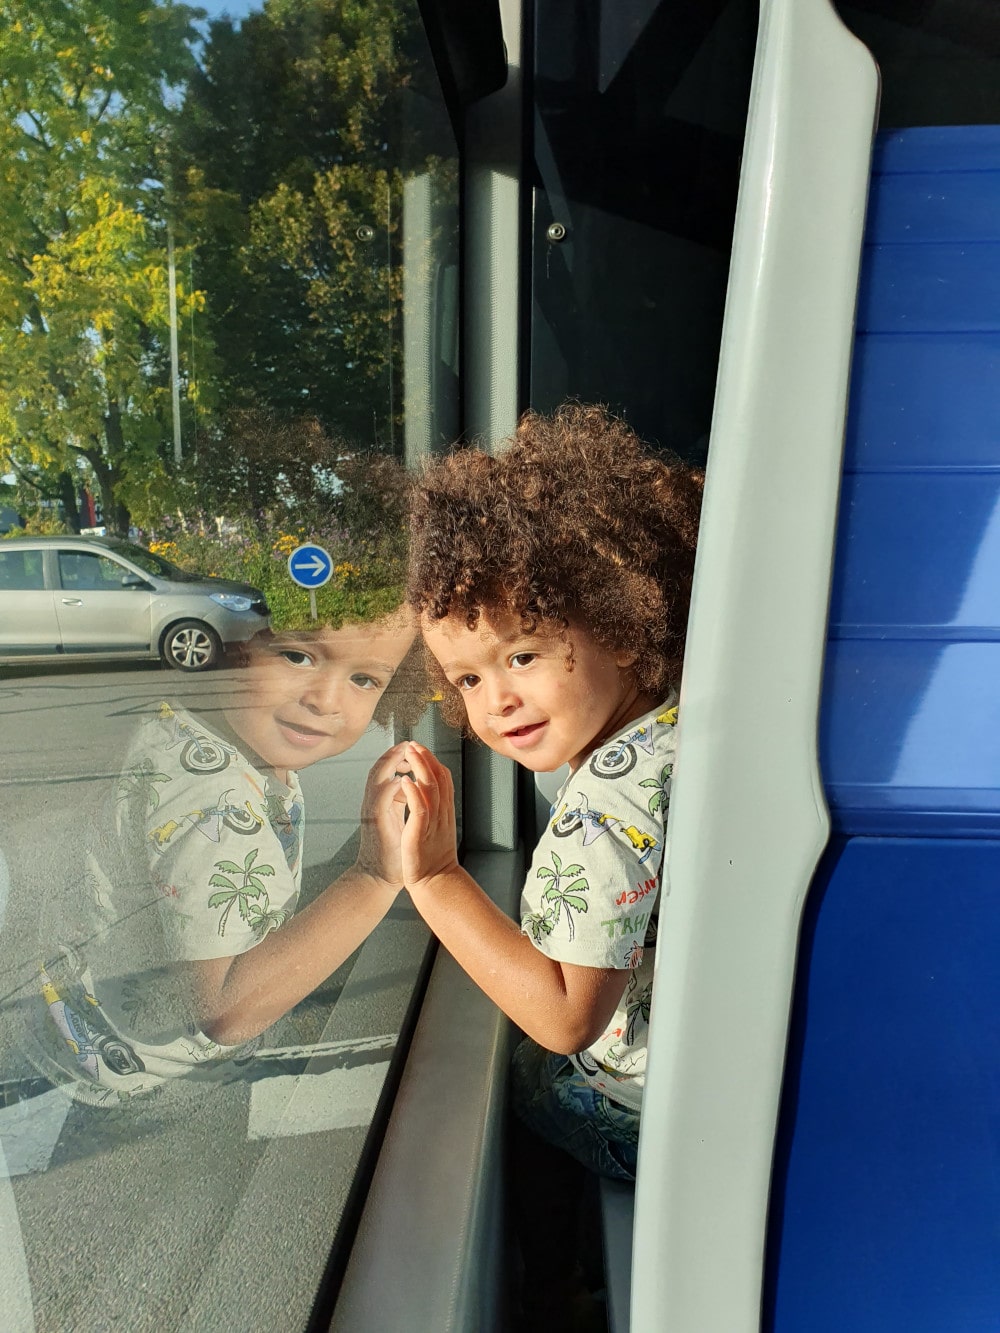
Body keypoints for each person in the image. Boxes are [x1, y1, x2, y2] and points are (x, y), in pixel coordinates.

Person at [391, 404, 701, 1324]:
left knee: (528, 1085)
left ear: (618, 613)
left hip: (653, 1115)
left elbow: (566, 1017)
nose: (497, 702)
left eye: (522, 653)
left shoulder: (602, 813)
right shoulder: (677, 716)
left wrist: (440, 879)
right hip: (713, 1057)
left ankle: (555, 1286)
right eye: (470, 678)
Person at [28, 611, 421, 1105]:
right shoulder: (217, 799)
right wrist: (373, 878)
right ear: (234, 644)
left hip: (78, 1007)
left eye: (364, 679)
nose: (324, 700)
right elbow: (228, 1012)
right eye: (297, 656)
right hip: (135, 1073)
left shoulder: (189, 726)